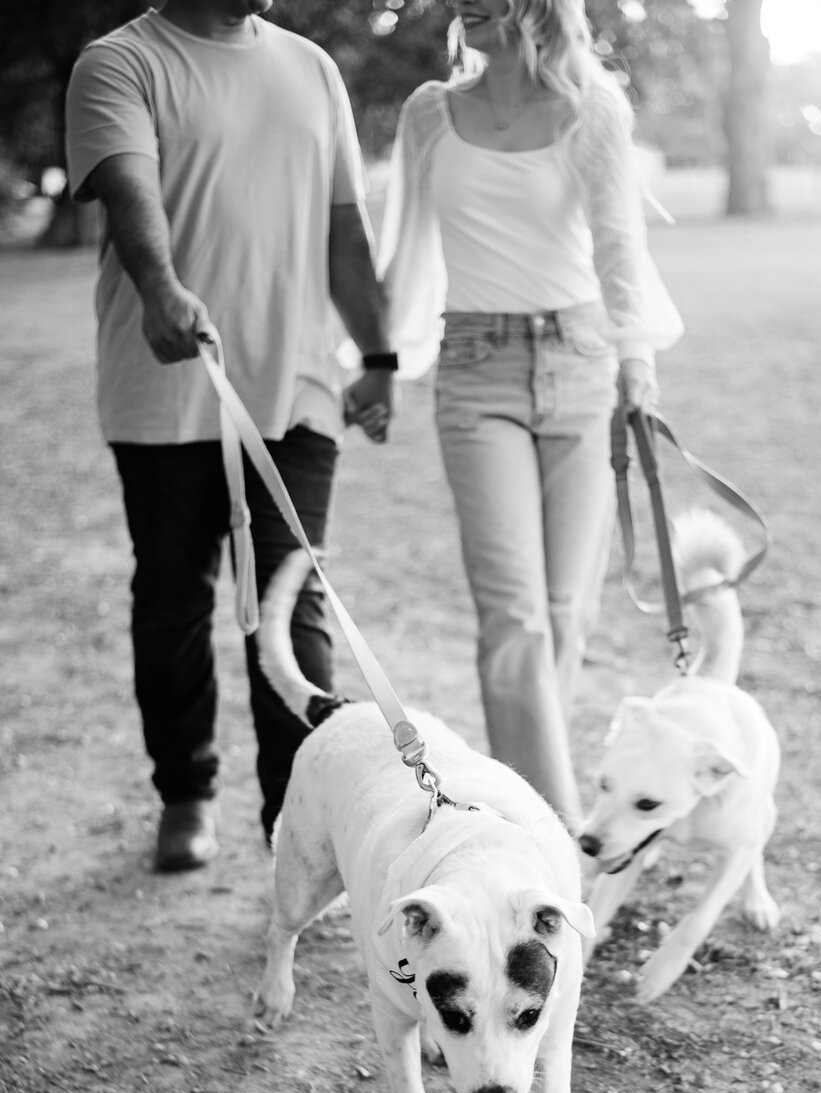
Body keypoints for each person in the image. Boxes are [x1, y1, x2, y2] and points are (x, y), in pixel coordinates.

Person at [66, 0, 396, 871]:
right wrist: (161, 287)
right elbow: (130, 187)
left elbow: (343, 228)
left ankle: (295, 823)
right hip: (169, 387)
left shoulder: (312, 67)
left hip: (299, 388)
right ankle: (185, 791)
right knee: (174, 597)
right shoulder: (120, 62)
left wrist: (380, 354)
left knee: (294, 599)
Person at [376, 0, 683, 830]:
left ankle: (525, 805)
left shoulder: (593, 109)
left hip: (582, 364)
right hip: (475, 370)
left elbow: (620, 247)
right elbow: (406, 244)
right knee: (511, 617)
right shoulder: (430, 113)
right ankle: (546, 833)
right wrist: (380, 358)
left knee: (563, 615)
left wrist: (637, 366)